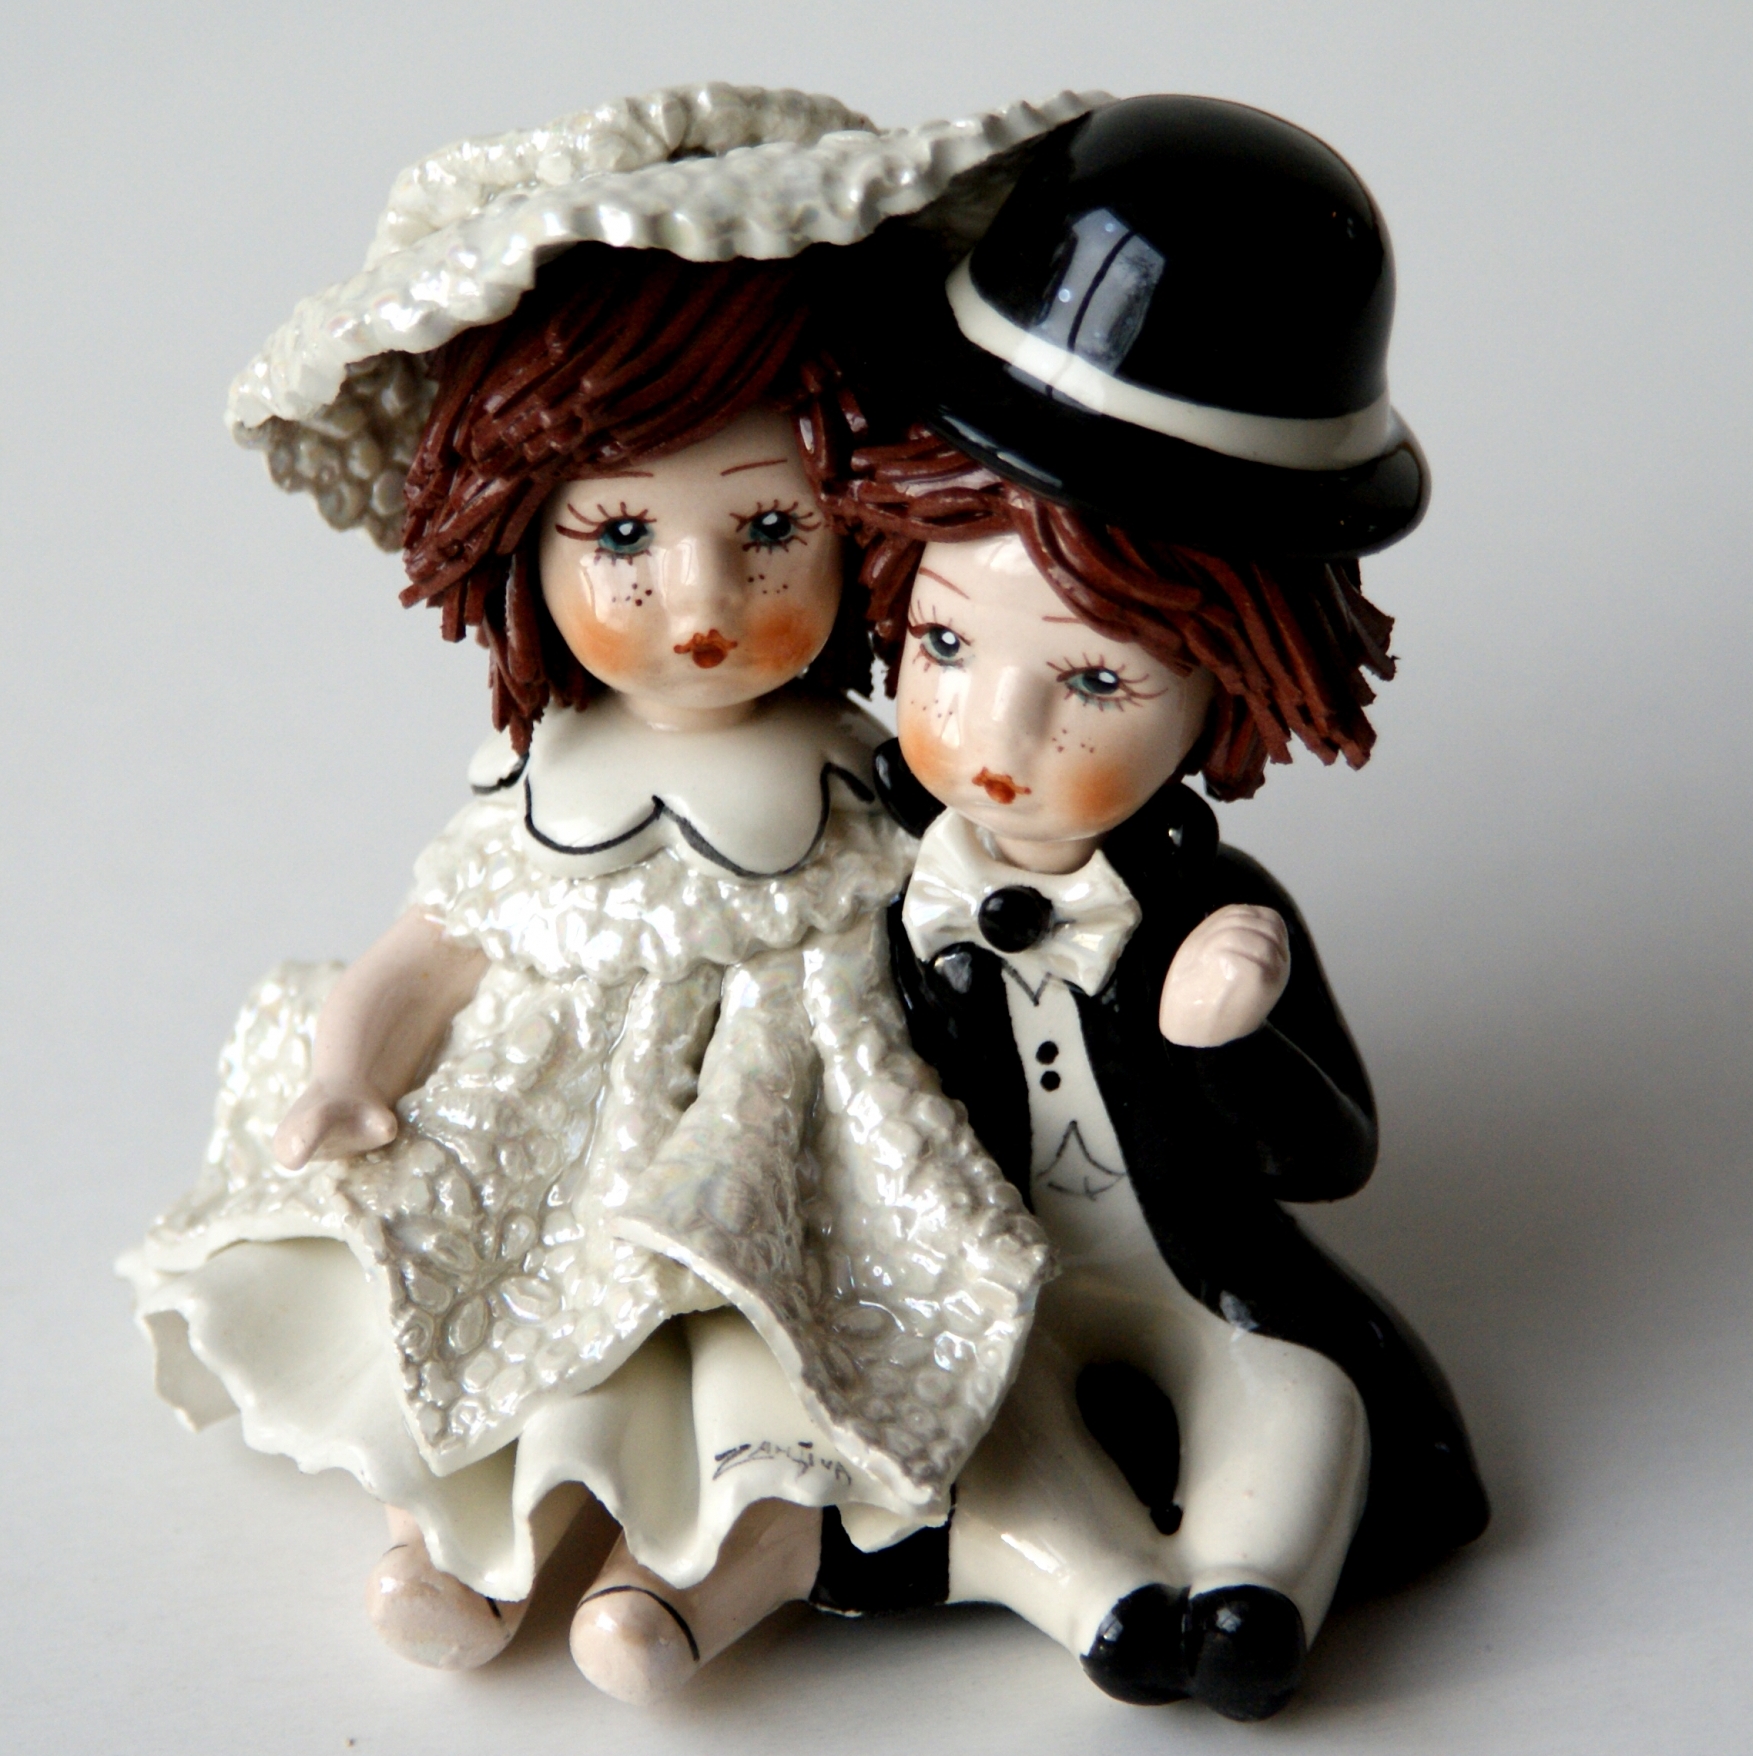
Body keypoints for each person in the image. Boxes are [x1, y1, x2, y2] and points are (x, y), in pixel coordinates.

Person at [119, 84, 1101, 1698]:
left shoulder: (869, 770)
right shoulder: (543, 781)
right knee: (477, 1309)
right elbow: (437, 942)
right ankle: (454, 1549)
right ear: (517, 540)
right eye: (624, 534)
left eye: (768, 527)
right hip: (548, 1136)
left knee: (763, 1347)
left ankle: (692, 1587)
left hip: (782, 1145)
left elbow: (978, 918)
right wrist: (355, 1068)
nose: (698, 600)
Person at [814, 95, 1489, 1721]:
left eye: (1097, 682)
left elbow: (1328, 1155)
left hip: (1200, 1273)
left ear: (1228, 692)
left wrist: (1226, 1039)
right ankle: (1097, 1592)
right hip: (984, 1282)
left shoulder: (1215, 916)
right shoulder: (867, 881)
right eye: (945, 645)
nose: (995, 735)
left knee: (1299, 1395)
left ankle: (1257, 1585)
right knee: (981, 1422)